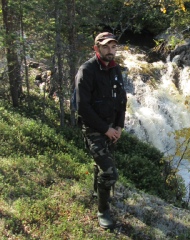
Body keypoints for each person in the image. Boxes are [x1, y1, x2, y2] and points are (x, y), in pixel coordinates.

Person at [75, 32, 127, 229]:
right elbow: (82, 108)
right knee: (110, 173)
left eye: (113, 47)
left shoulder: (116, 69)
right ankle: (102, 210)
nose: (110, 51)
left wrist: (119, 126)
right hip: (94, 128)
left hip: (112, 128)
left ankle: (98, 193)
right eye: (105, 47)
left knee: (101, 166)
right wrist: (105, 129)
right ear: (96, 48)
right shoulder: (87, 70)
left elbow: (122, 100)